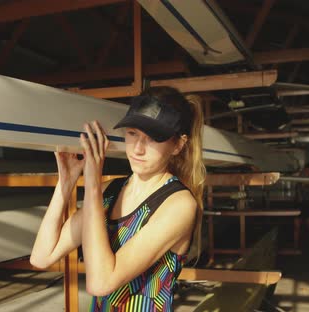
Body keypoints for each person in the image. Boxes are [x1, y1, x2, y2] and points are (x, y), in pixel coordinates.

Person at [30, 86, 205, 311]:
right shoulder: (109, 192)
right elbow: (41, 257)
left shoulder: (178, 204)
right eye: (132, 134)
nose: (138, 149)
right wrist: (66, 182)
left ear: (178, 145)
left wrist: (92, 182)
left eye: (152, 138)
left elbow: (101, 283)